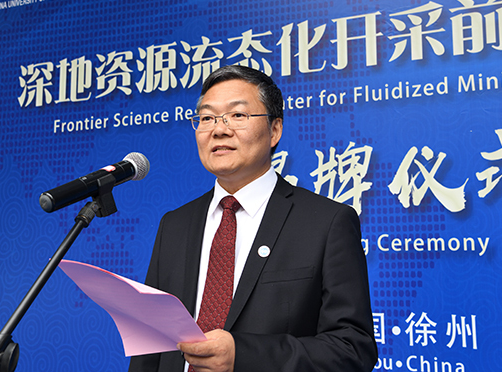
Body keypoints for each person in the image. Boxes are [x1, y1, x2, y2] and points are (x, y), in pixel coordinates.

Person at [128, 65, 377, 372]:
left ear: (274, 130)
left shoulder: (327, 223)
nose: (219, 129)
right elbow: (151, 345)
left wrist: (243, 356)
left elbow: (352, 348)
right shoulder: (174, 225)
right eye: (206, 118)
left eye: (237, 115)